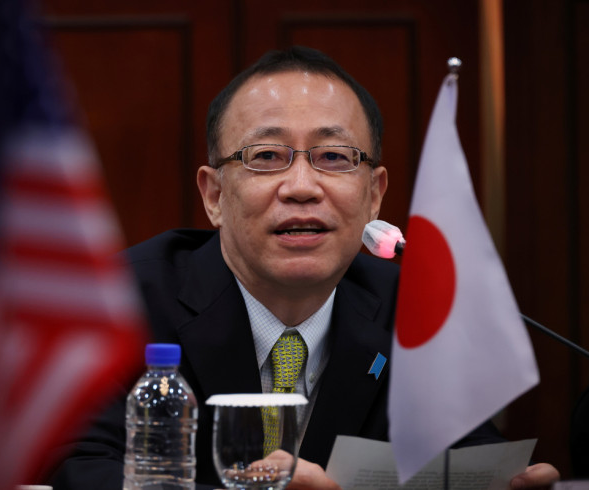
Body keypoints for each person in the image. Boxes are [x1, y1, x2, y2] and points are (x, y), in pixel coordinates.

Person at [49, 46, 559, 489]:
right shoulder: (120, 300)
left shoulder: (414, 309)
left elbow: (466, 459)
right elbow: (81, 469)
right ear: (214, 196)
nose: (301, 186)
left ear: (374, 195)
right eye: (267, 155)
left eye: (334, 157)